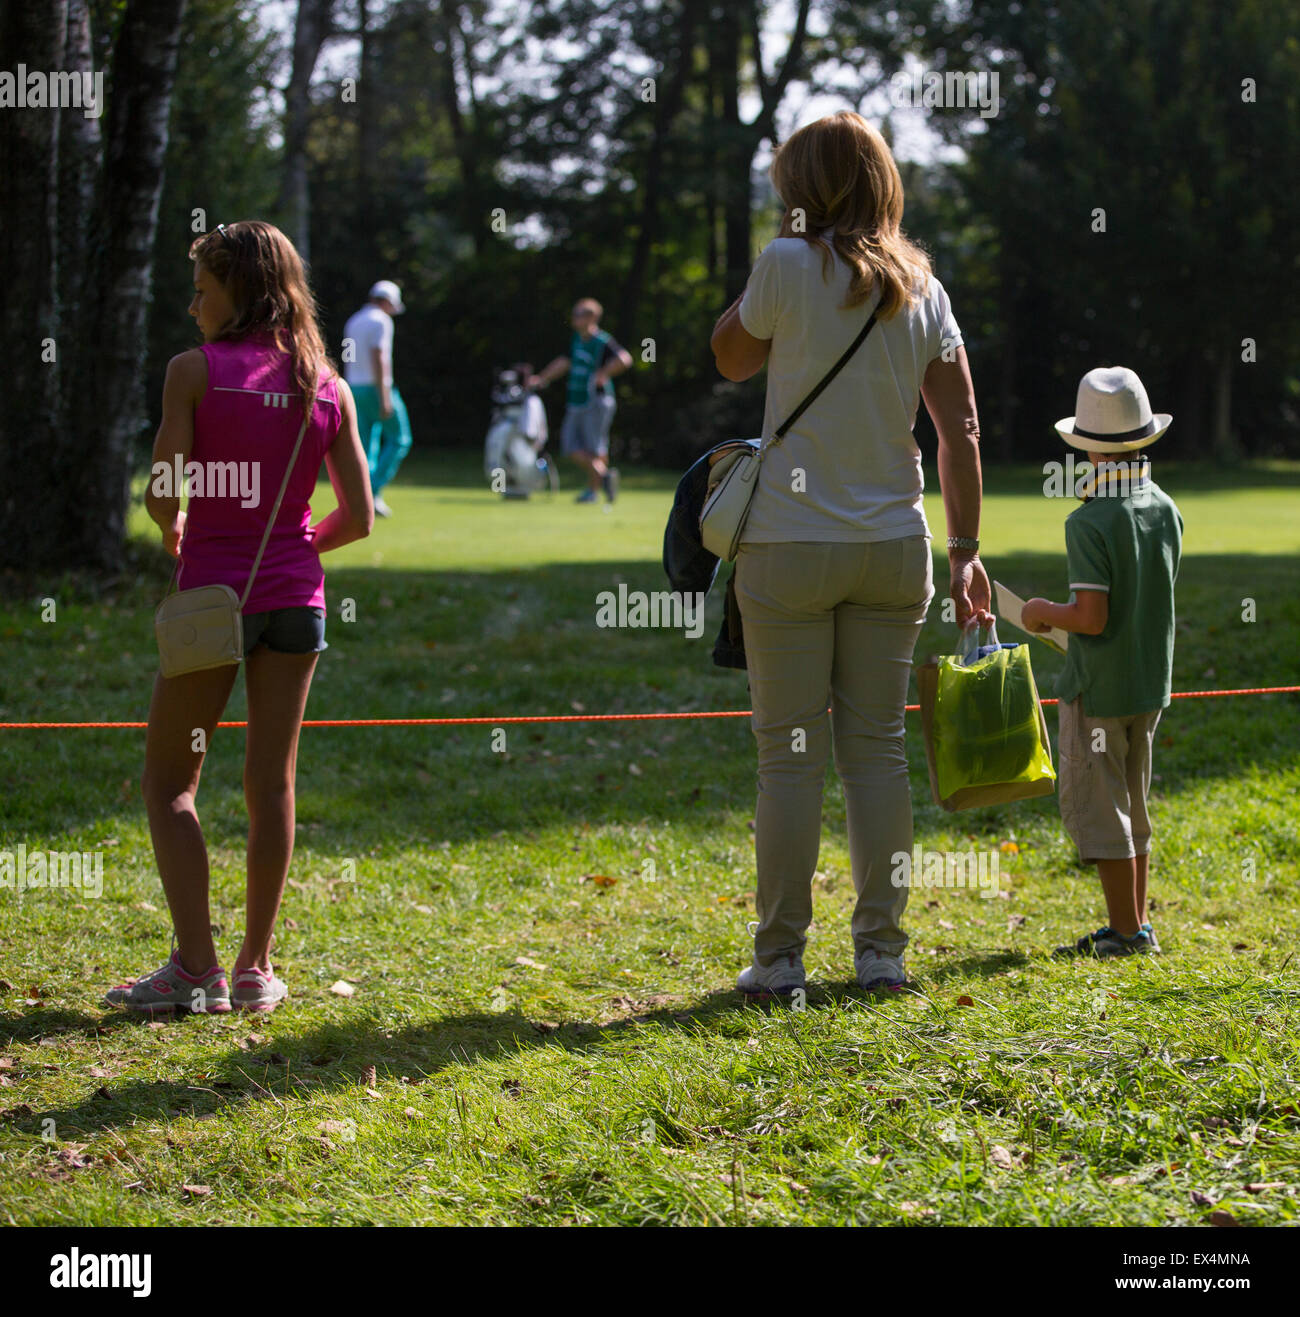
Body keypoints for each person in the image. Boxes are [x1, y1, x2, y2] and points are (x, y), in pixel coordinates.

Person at [710, 111, 993, 997]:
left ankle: (780, 958)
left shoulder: (785, 266)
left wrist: (776, 255)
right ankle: (882, 953)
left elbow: (729, 359)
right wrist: (967, 551)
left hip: (789, 547)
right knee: (876, 753)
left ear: (803, 190)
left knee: (788, 756)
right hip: (893, 546)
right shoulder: (925, 289)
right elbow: (962, 431)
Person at [109, 220, 374, 1015]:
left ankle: (196, 969)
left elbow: (163, 489)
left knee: (169, 783)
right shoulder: (327, 383)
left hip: (211, 605)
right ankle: (257, 968)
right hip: (295, 605)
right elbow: (357, 517)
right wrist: (296, 553)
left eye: (202, 289)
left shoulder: (193, 373)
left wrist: (171, 530)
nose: (193, 307)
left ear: (239, 290)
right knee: (272, 781)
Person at [1021, 366, 1183, 958]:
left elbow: (1090, 617)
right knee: (1134, 804)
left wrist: (1040, 610)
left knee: (1103, 808)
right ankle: (1136, 923)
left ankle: (1124, 933)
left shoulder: (1089, 521)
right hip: (1148, 683)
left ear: (1087, 450)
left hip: (1098, 688)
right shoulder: (1163, 508)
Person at [529, 298, 632, 503]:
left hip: (596, 401)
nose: (574, 318)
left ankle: (592, 492)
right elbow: (563, 362)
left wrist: (603, 373)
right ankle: (604, 478)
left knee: (595, 448)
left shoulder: (601, 341)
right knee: (571, 447)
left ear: (592, 317)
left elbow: (624, 359)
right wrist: (541, 378)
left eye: (578, 314)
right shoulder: (577, 340)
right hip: (577, 402)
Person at [343, 279, 411, 518]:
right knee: (400, 439)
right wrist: (384, 396)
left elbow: (347, 355)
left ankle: (364, 495)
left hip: (354, 388)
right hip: (375, 387)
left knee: (366, 443)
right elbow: (379, 356)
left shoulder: (354, 320)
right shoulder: (381, 320)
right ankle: (372, 490)